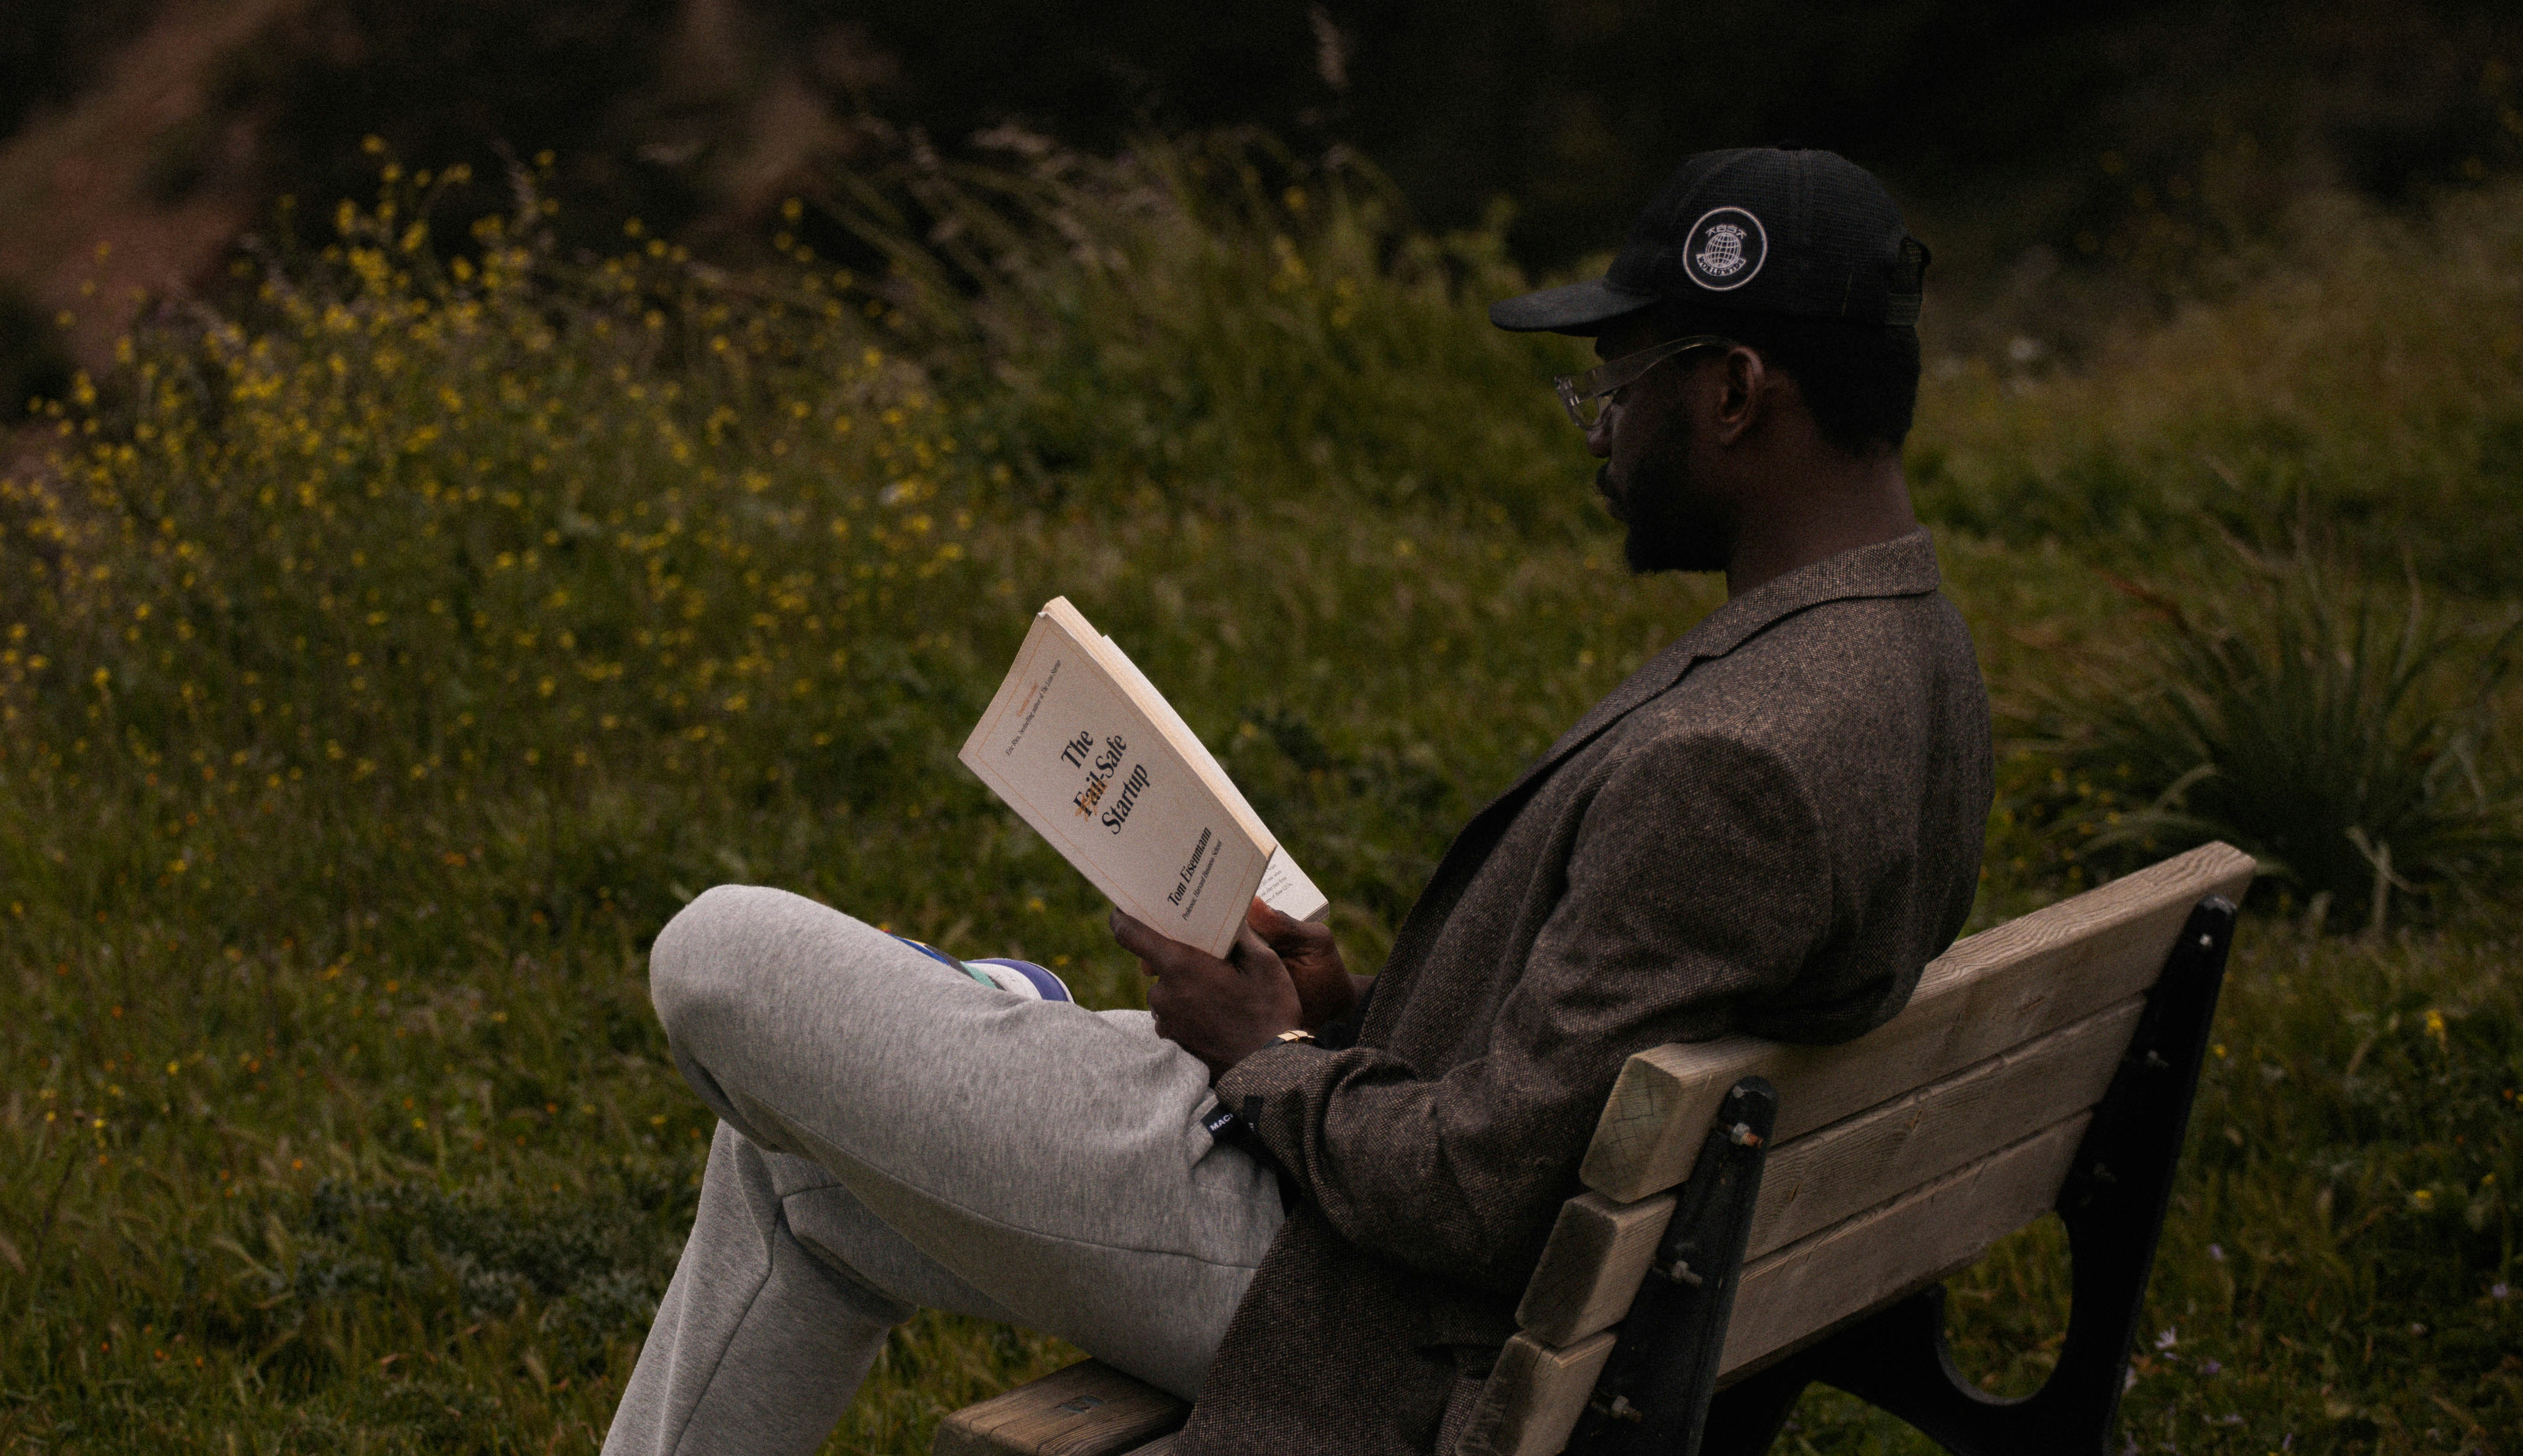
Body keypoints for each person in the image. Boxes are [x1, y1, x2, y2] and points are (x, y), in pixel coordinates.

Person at [603, 146, 1992, 1456]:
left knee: (719, 953)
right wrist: (1346, 1008)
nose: (1601, 434)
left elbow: (1476, 1193)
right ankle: (988, 1016)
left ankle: (992, 1010)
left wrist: (1267, 1059)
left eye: (1617, 386)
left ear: (1739, 391)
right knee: (797, 1178)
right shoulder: (1909, 649)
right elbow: (1605, 1047)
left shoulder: (1739, 759)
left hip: (1368, 1307)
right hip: (1546, 1259)